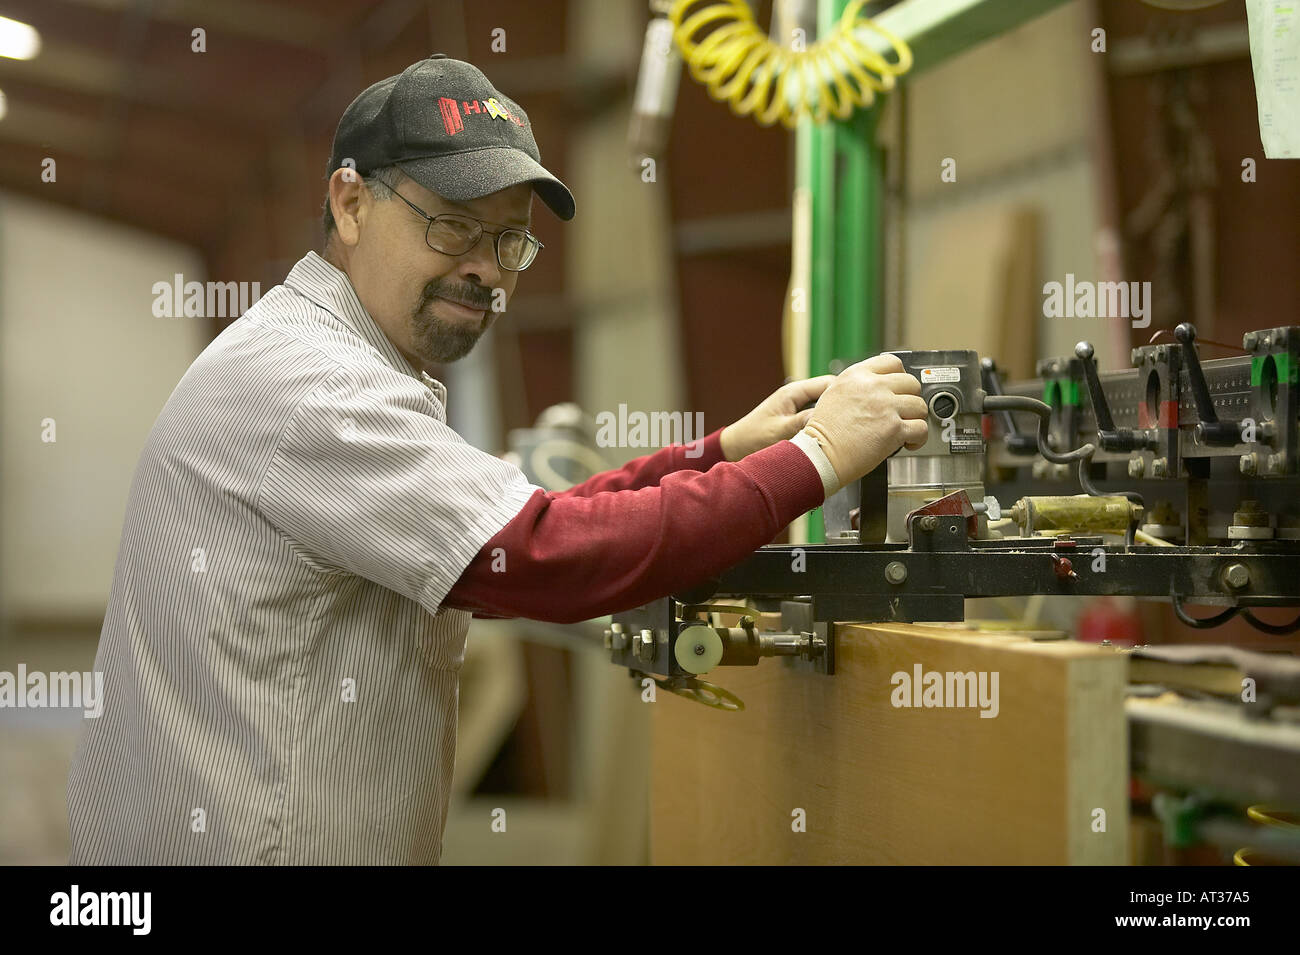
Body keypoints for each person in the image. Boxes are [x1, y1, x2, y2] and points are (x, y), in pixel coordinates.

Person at [67, 55, 928, 864]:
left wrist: (722, 453)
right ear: (350, 202)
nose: (484, 271)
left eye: (507, 242)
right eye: (451, 228)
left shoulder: (333, 357)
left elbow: (514, 521)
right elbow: (546, 556)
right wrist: (817, 458)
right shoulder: (313, 385)